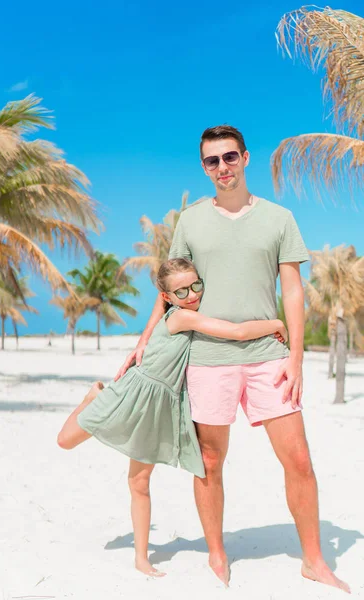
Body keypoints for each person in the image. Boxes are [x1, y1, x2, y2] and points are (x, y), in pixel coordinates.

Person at [115, 125, 350, 592]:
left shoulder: (280, 218)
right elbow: (172, 290)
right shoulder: (191, 221)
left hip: (269, 355)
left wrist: (297, 356)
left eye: (228, 157)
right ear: (204, 167)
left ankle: (313, 560)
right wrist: (144, 340)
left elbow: (293, 289)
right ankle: (217, 555)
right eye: (211, 161)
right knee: (209, 459)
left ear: (245, 158)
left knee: (299, 460)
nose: (221, 168)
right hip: (207, 357)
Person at [58, 257, 288, 579]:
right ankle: (92, 397)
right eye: (181, 292)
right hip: (134, 392)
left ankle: (141, 557)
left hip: (158, 405)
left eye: (196, 286)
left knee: (138, 481)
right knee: (65, 441)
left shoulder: (189, 313)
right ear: (166, 298)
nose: (192, 295)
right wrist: (276, 324)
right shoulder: (181, 318)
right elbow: (236, 331)